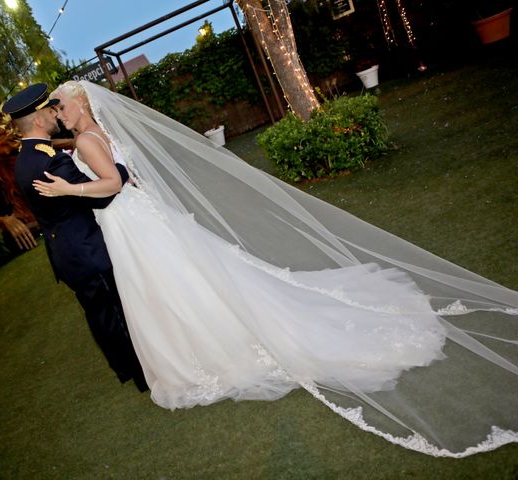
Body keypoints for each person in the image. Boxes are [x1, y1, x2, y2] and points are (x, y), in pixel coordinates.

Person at [33, 80, 518, 457]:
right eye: (57, 109)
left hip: (129, 221)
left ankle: (211, 345)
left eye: (62, 106)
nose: (60, 113)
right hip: (135, 223)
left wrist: (69, 191)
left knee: (172, 285)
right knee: (182, 282)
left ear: (81, 104)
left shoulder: (88, 139)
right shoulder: (98, 134)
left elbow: (113, 183)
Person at [1, 83, 147, 392]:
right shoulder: (51, 160)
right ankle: (140, 374)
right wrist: (121, 169)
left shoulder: (27, 158)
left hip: (67, 250)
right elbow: (101, 197)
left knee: (101, 312)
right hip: (85, 250)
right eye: (51, 110)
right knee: (113, 314)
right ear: (39, 119)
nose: (55, 114)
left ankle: (128, 369)